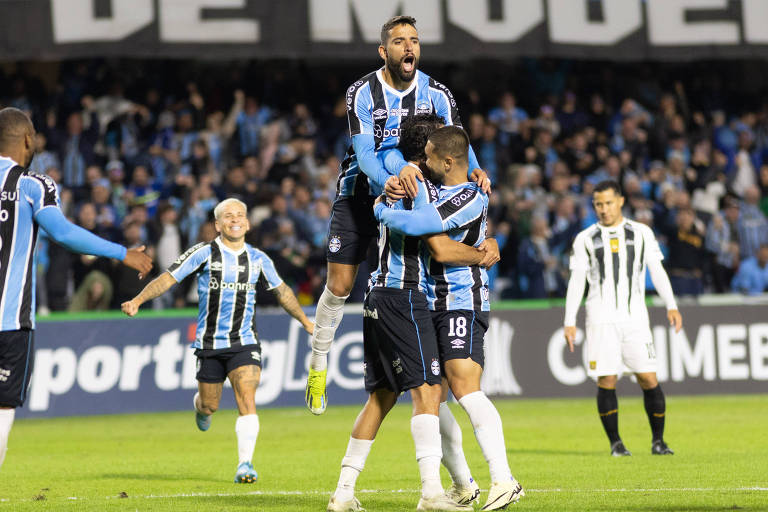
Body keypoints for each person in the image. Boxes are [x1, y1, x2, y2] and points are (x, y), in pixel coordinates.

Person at [305, 15, 490, 415]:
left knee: (415, 280)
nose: (409, 47)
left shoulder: (437, 93)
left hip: (416, 198)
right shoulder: (362, 92)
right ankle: (318, 363)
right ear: (383, 50)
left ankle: (426, 363)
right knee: (339, 286)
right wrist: (389, 179)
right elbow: (367, 155)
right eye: (400, 41)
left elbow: (459, 142)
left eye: (414, 41)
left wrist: (475, 167)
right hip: (361, 195)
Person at [327, 127, 495, 512]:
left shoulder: (393, 179)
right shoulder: (418, 187)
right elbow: (437, 242)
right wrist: (482, 251)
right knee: (428, 393)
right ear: (427, 157)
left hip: (376, 295)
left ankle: (343, 492)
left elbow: (383, 158)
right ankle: (432, 493)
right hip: (405, 295)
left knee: (381, 398)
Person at [375, 125, 524, 509]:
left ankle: (504, 478)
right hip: (430, 302)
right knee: (432, 396)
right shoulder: (444, 187)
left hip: (461, 300)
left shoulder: (471, 196)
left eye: (428, 156)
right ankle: (463, 484)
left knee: (463, 386)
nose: (422, 162)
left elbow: (434, 242)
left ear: (447, 160)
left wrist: (380, 209)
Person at [0, 107, 153, 470]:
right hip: (9, 322)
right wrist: (122, 253)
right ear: (26, 139)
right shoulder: (33, 185)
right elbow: (63, 232)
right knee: (2, 407)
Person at [121, 198, 313, 483]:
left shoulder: (259, 259)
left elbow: (282, 292)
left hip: (244, 341)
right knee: (209, 404)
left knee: (247, 396)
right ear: (217, 225)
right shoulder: (203, 253)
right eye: (228, 216)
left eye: (239, 215)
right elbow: (168, 278)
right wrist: (138, 300)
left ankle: (245, 465)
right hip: (209, 345)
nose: (234, 219)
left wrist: (306, 321)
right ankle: (200, 408)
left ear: (247, 223)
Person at [563, 180, 682, 456]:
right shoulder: (585, 239)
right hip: (600, 319)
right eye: (598, 204)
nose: (603, 209)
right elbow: (577, 281)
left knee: (648, 378)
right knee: (606, 380)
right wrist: (569, 320)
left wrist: (672, 305)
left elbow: (657, 270)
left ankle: (658, 441)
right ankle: (616, 444)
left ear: (620, 201)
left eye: (607, 203)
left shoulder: (641, 233)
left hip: (635, 319)